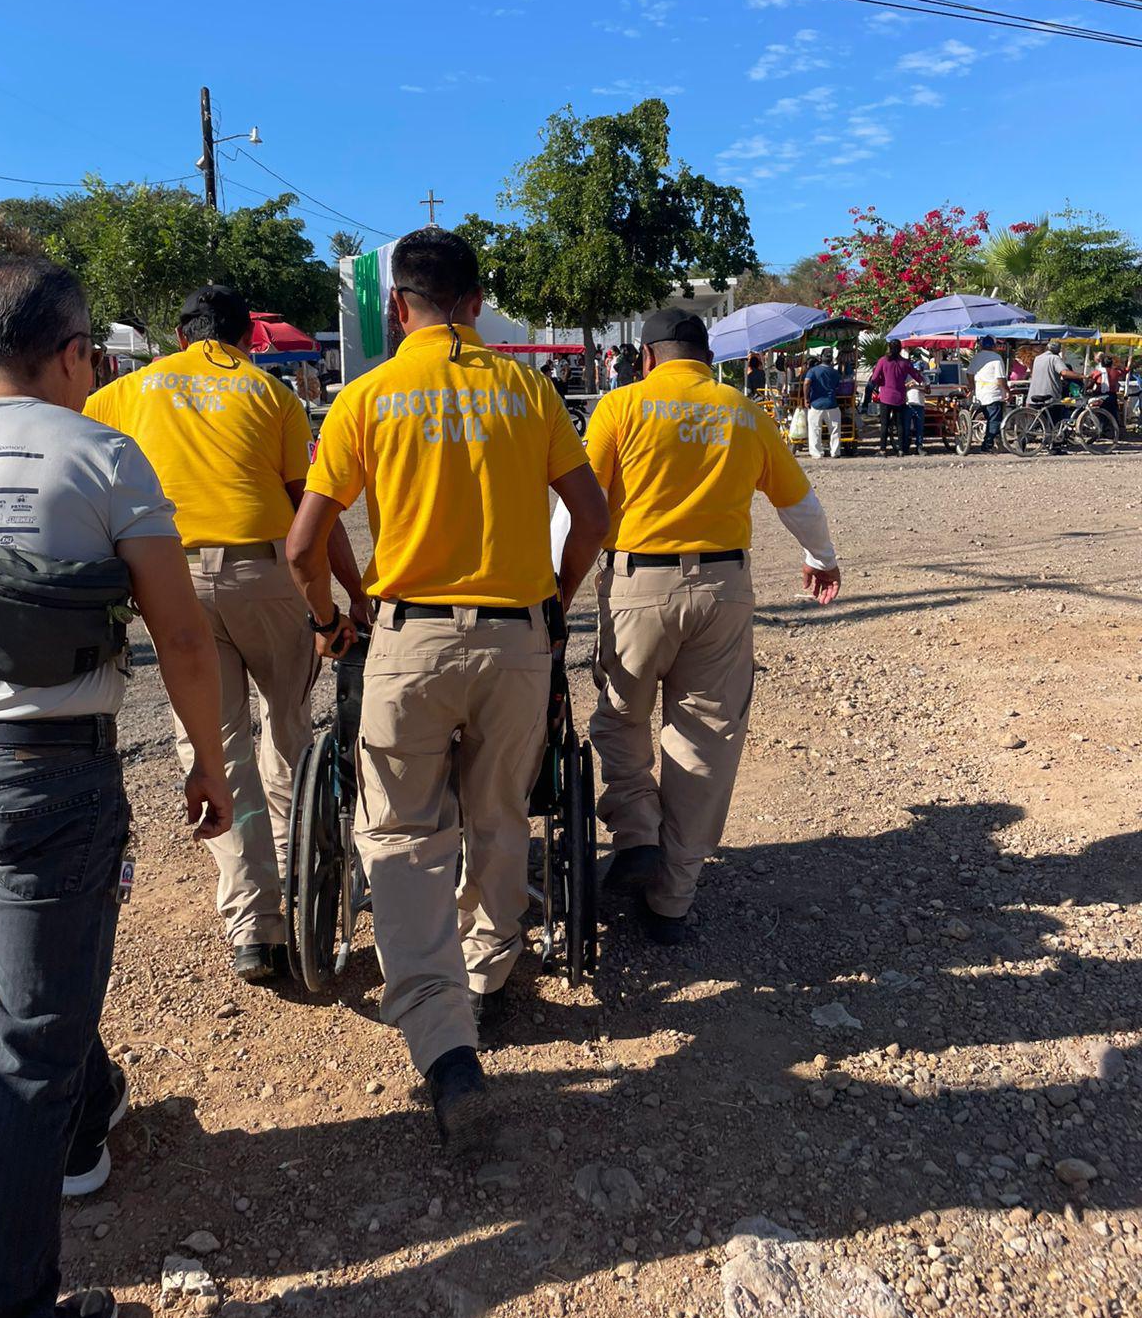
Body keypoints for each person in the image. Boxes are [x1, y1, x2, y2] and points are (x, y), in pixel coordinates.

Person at [0, 258, 232, 1318]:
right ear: (72, 354)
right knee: (29, 1042)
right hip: (43, 774)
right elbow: (184, 635)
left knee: (34, 982)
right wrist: (209, 761)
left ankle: (84, 1119)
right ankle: (7, 1311)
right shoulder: (105, 453)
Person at [286, 228, 608, 1149]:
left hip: (409, 639)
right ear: (476, 303)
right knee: (502, 813)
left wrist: (330, 619)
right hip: (516, 640)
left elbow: (305, 546)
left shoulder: (369, 394)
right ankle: (487, 971)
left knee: (399, 830)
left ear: (398, 308)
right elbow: (591, 516)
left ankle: (442, 1039)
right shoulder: (529, 390)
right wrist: (554, 601)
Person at [86, 285, 358, 985]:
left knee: (215, 742)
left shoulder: (125, 392)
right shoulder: (269, 396)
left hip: (168, 578)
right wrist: (350, 597)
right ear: (247, 339)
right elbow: (309, 512)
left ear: (181, 336)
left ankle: (254, 925)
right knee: (288, 726)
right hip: (262, 572)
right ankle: (306, 878)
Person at [584, 309, 840, 946]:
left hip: (636, 585)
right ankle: (673, 900)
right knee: (706, 737)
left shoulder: (621, 408)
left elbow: (581, 508)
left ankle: (637, 829)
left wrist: (551, 588)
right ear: (708, 356)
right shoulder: (745, 412)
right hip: (724, 589)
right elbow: (798, 501)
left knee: (620, 716)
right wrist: (821, 558)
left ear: (646, 357)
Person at [1027, 337, 1082, 452]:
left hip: (1033, 394)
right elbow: (1064, 372)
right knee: (1055, 421)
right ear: (1057, 350)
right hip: (1049, 395)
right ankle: (1054, 446)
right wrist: (1082, 376)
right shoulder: (1055, 358)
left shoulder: (1038, 358)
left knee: (1036, 423)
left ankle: (1022, 440)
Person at [870, 339, 914, 456]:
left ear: (889, 347)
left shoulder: (883, 361)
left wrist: (880, 382)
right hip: (900, 397)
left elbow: (874, 378)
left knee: (885, 424)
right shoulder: (905, 362)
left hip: (885, 396)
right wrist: (924, 382)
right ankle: (900, 450)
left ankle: (883, 450)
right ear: (900, 349)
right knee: (900, 424)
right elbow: (916, 375)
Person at [968, 335, 1008, 453]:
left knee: (989, 419)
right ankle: (987, 445)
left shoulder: (976, 357)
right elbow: (1000, 378)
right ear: (994, 346)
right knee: (995, 420)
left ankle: (997, 444)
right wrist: (1006, 390)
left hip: (980, 393)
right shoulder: (996, 358)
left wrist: (973, 386)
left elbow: (969, 373)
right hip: (993, 393)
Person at [803, 346, 842, 459]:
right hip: (832, 404)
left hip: (816, 404)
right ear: (831, 360)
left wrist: (806, 399)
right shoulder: (835, 373)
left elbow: (806, 383)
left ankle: (816, 453)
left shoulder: (813, 371)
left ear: (821, 358)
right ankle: (835, 452)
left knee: (815, 429)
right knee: (835, 430)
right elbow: (837, 386)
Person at [904, 355, 929, 455]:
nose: (918, 372)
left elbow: (928, 390)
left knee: (919, 428)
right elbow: (902, 387)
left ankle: (919, 446)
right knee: (906, 427)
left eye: (919, 370)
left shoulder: (924, 378)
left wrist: (918, 387)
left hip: (920, 405)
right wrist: (909, 385)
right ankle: (905, 446)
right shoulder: (907, 377)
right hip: (908, 404)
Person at [1089, 351, 1121, 426]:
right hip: (1112, 395)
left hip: (1100, 395)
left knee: (1100, 414)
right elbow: (1126, 370)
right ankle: (1116, 429)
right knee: (1113, 413)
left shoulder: (1097, 372)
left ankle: (1100, 429)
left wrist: (1088, 388)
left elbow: (1091, 382)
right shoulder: (1116, 372)